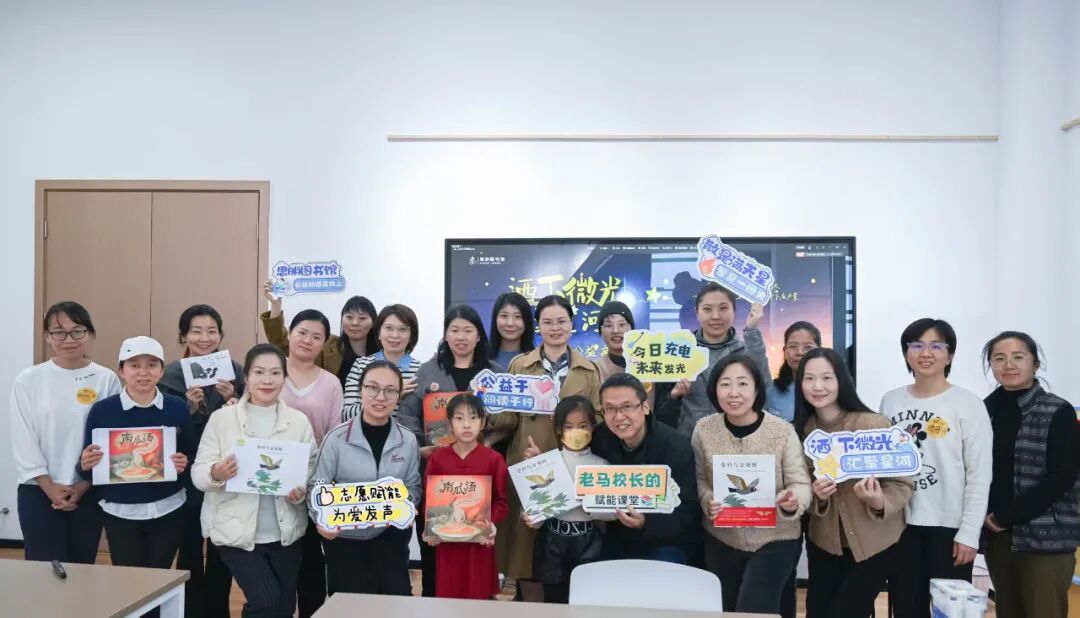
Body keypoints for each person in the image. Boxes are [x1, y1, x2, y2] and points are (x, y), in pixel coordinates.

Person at [489, 294, 601, 601]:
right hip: (528, 466)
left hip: (572, 468)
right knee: (525, 551)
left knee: (565, 550)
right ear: (538, 326)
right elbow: (509, 417)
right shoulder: (520, 364)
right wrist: (489, 408)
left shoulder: (589, 370)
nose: (555, 328)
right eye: (548, 322)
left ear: (572, 324)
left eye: (561, 321)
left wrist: (575, 422)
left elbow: (599, 418)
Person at [192, 344, 315, 618]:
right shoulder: (222, 419)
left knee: (283, 609)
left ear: (285, 378)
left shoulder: (298, 421)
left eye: (275, 373)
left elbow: (311, 468)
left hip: (286, 533)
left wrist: (302, 489)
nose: (267, 380)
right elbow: (199, 473)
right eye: (259, 372)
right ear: (246, 377)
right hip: (236, 534)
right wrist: (216, 473)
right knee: (266, 602)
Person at [523, 373, 701, 563]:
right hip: (616, 539)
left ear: (645, 406)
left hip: (666, 542)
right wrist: (545, 464)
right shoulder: (600, 438)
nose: (619, 416)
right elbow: (575, 464)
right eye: (610, 409)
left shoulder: (675, 447)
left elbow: (689, 511)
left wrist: (646, 522)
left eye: (627, 406)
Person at [880, 318, 992, 618]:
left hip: (950, 530)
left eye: (936, 346)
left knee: (951, 612)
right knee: (906, 608)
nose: (925, 353)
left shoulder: (968, 404)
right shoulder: (891, 401)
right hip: (901, 527)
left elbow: (979, 475)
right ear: (906, 353)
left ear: (950, 354)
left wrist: (969, 533)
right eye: (916, 345)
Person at [793, 347, 913, 618]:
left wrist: (878, 500)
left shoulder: (874, 424)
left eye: (827, 377)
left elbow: (902, 484)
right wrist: (816, 495)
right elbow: (799, 488)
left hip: (875, 544)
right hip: (825, 545)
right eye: (809, 378)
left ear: (842, 381)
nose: (818, 386)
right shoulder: (802, 432)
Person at [692, 355, 811, 614]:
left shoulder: (782, 431)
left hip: (776, 537)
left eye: (743, 384)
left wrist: (792, 501)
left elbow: (801, 483)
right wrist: (707, 499)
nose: (733, 392)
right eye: (725, 384)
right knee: (729, 609)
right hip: (722, 538)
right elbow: (700, 479)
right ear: (714, 390)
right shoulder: (703, 430)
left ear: (757, 389)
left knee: (753, 609)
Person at [397, 304, 503, 596]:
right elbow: (407, 414)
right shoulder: (428, 371)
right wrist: (422, 446)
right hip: (438, 471)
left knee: (476, 552)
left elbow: (508, 419)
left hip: (479, 473)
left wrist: (488, 441)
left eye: (468, 330)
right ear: (445, 334)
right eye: (454, 330)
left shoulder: (494, 374)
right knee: (436, 554)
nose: (461, 337)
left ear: (479, 335)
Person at [11, 301, 121, 563]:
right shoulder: (28, 380)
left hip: (88, 489)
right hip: (38, 489)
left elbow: (112, 439)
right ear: (48, 336)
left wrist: (81, 486)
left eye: (77, 331)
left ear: (90, 334)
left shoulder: (106, 379)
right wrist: (49, 487)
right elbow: (23, 439)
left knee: (81, 567)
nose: (68, 339)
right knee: (43, 571)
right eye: (59, 332)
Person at [78, 337, 194, 581]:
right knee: (128, 581)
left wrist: (183, 463)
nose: (143, 372)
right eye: (134, 365)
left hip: (169, 508)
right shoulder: (102, 411)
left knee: (159, 579)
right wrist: (85, 464)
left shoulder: (177, 407)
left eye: (152, 365)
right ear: (121, 371)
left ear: (162, 371)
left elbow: (191, 454)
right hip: (120, 513)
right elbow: (88, 468)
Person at [982, 331, 1080, 618]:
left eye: (1018, 357)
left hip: (1046, 537)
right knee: (1008, 611)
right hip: (997, 536)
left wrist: (1006, 517)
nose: (1008, 365)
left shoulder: (1057, 410)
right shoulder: (984, 411)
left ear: (1035, 364)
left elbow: (1062, 477)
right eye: (999, 358)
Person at [159, 304, 243, 618]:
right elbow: (164, 429)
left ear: (220, 335)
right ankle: (191, 610)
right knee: (190, 544)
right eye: (196, 331)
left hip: (225, 469)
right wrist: (188, 408)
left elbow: (248, 417)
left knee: (222, 545)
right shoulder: (172, 373)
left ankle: (218, 610)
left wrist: (233, 399)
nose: (204, 338)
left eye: (211, 331)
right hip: (187, 470)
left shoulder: (233, 369)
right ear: (183, 335)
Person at [312, 361, 421, 596]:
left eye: (390, 390)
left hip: (390, 535)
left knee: (395, 603)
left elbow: (413, 485)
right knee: (349, 606)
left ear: (398, 395)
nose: (380, 397)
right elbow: (318, 485)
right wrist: (320, 517)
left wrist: (409, 505)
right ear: (361, 390)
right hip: (345, 538)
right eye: (372, 388)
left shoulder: (408, 440)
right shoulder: (336, 438)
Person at [279, 310, 344, 617]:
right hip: (272, 479)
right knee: (278, 559)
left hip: (314, 478)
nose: (307, 340)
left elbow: (334, 435)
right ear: (289, 334)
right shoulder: (271, 370)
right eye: (302, 332)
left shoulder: (331, 383)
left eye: (316, 336)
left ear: (324, 344)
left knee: (311, 562)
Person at [525, 395, 614, 604]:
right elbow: (534, 509)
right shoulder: (547, 462)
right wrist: (531, 518)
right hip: (552, 539)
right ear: (559, 429)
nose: (576, 432)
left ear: (593, 427)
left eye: (583, 426)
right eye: (569, 426)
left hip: (588, 541)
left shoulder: (602, 466)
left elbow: (613, 512)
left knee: (586, 599)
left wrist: (588, 503)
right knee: (554, 599)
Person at [656, 282, 769, 437]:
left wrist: (752, 330)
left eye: (723, 308)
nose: (715, 316)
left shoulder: (746, 351)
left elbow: (764, 386)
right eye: (707, 309)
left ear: (734, 311)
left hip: (736, 440)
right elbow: (661, 405)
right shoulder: (677, 351)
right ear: (697, 313)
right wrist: (675, 395)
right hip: (689, 440)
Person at [424, 393, 509, 599]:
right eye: (459, 418)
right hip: (448, 543)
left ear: (482, 423)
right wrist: (430, 528)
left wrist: (490, 522)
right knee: (448, 594)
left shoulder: (494, 460)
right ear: (450, 424)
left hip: (479, 543)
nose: (467, 424)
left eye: (473, 417)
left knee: (478, 596)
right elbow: (429, 500)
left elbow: (502, 502)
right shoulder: (438, 459)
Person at [260, 281, 379, 386]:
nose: (355, 323)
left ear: (373, 322)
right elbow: (282, 343)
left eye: (362, 318)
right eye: (349, 317)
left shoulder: (382, 351)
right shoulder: (327, 343)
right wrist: (275, 306)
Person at [341, 304, 421, 423]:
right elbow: (347, 416)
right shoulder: (360, 366)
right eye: (388, 328)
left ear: (411, 336)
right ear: (379, 333)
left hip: (407, 434)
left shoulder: (421, 371)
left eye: (403, 329)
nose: (395, 335)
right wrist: (393, 393)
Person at [591, 301, 656, 410]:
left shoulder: (650, 365)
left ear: (632, 330)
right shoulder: (594, 370)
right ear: (600, 331)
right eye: (608, 325)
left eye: (621, 324)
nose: (615, 330)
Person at [764, 321, 820, 422]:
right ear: (784, 351)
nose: (799, 352)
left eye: (808, 347)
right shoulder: (772, 391)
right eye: (793, 346)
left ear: (819, 350)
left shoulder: (829, 389)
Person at [488, 292, 535, 370]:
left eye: (517, 316)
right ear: (495, 319)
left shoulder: (537, 360)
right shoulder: (481, 359)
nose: (510, 323)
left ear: (527, 321)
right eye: (504, 316)